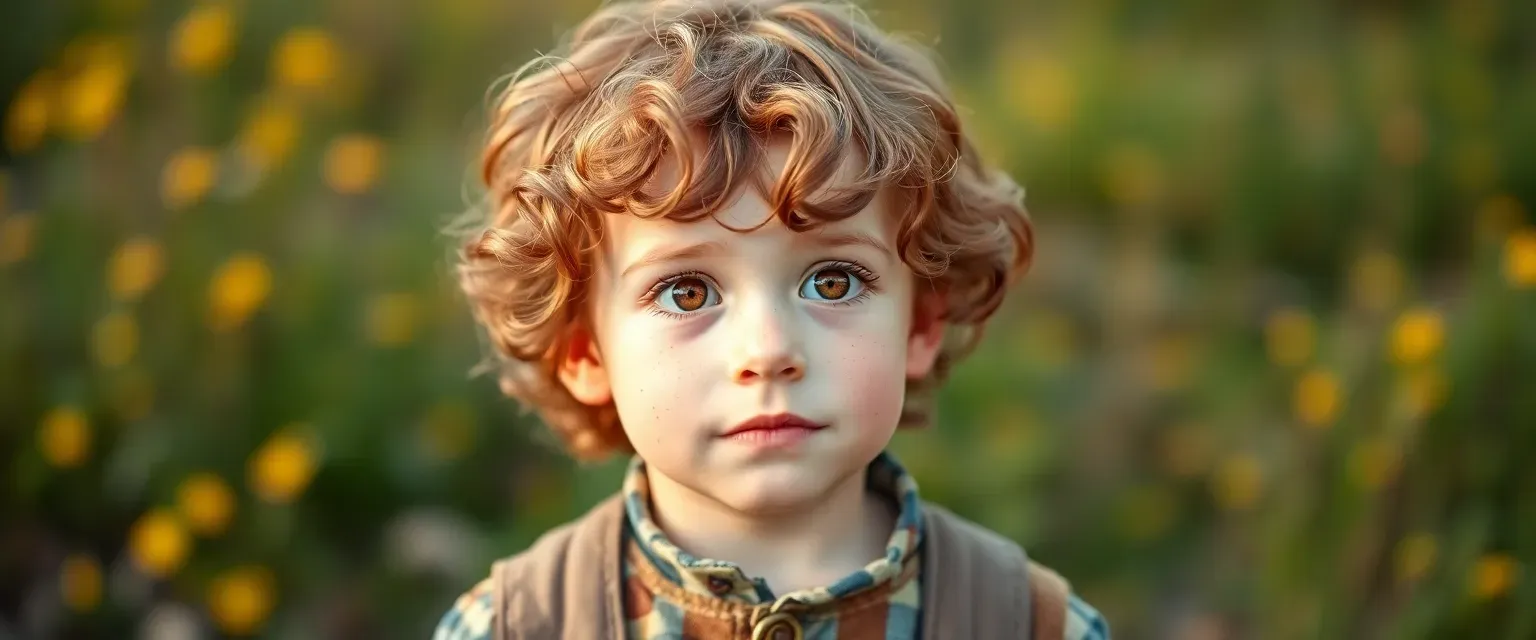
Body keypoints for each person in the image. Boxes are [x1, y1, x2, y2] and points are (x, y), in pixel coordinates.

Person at [435, 0, 1110, 637]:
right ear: (584, 351)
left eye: (833, 280)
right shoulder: (513, 626)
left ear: (920, 325)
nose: (769, 348)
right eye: (688, 292)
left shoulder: (1029, 624)